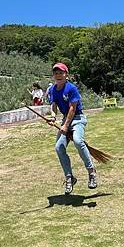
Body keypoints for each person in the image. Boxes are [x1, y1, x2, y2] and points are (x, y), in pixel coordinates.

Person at [48, 62, 97, 194]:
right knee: (59, 147)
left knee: (78, 141)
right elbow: (53, 105)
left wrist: (65, 125)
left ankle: (91, 172)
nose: (58, 75)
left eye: (61, 73)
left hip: (77, 119)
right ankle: (69, 177)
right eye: (56, 73)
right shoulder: (53, 89)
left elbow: (72, 108)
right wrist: (53, 117)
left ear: (66, 75)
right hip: (65, 119)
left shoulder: (71, 88)